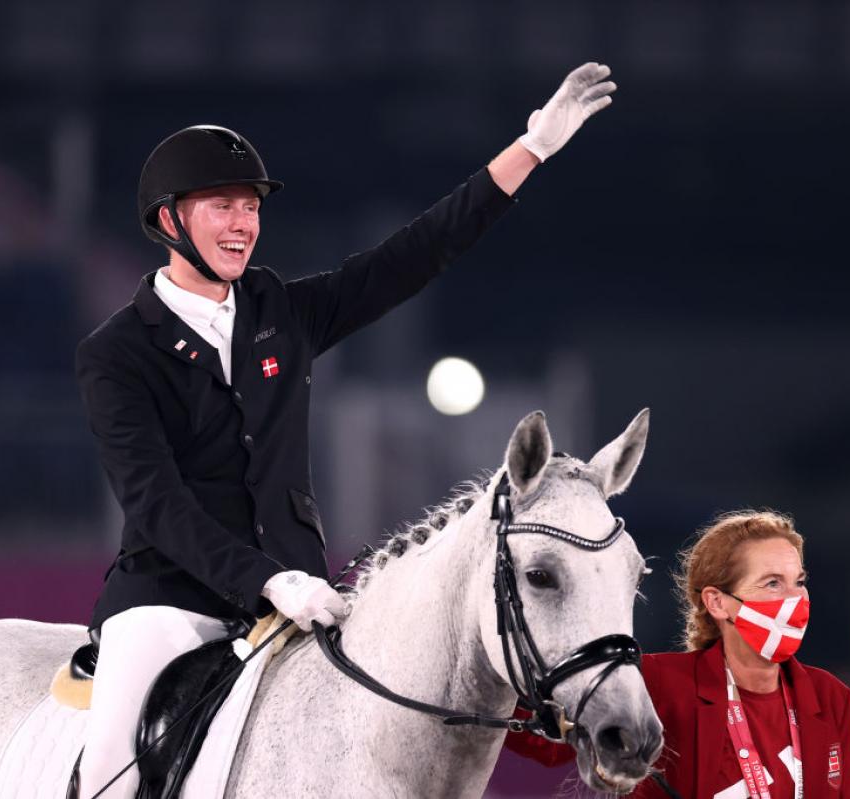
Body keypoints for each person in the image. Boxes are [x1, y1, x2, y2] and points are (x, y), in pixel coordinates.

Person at [73, 62, 618, 798]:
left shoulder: (283, 313)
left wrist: (531, 149)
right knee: (113, 769)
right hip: (171, 601)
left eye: (250, 208)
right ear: (169, 220)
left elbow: (415, 254)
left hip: (304, 604)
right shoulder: (116, 353)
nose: (242, 224)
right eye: (221, 207)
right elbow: (155, 503)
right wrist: (269, 579)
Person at [506, 510, 850, 797]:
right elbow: (542, 743)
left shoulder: (830, 696)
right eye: (773, 583)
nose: (795, 599)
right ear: (718, 602)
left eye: (798, 581)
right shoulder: (659, 683)